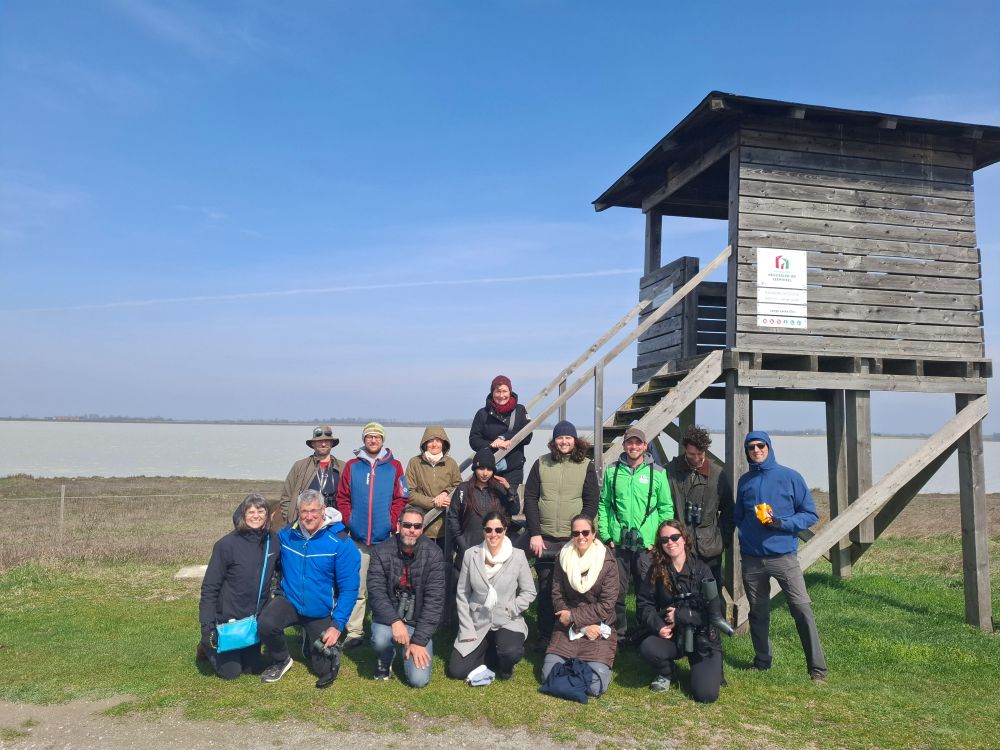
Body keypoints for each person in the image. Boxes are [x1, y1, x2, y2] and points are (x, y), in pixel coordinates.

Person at [735, 431, 828, 683]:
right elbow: (738, 516)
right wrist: (746, 535)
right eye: (751, 447)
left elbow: (810, 515)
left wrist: (781, 523)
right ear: (747, 451)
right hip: (752, 559)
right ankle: (762, 661)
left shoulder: (790, 477)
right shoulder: (745, 481)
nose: (756, 450)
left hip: (784, 558)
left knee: (802, 609)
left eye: (760, 445)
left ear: (769, 447)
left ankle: (817, 670)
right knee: (758, 612)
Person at [257, 490, 361, 688]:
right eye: (304, 511)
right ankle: (281, 660)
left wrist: (337, 625)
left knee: (325, 669)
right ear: (298, 512)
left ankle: (310, 637)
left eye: (314, 511)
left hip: (320, 610)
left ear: (323, 510)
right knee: (266, 624)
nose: (309, 516)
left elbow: (349, 589)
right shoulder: (286, 535)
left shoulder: (341, 543)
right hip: (290, 601)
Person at [522, 420, 599, 648]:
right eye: (559, 437)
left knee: (574, 588)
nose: (564, 442)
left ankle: (573, 631)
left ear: (574, 440)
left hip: (573, 539)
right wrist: (535, 533)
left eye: (568, 437)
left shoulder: (585, 465)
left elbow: (591, 501)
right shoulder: (541, 463)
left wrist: (580, 534)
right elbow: (530, 498)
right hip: (545, 537)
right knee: (547, 588)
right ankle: (545, 634)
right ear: (554, 441)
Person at [336, 422, 410, 649]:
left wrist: (391, 521)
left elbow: (401, 497)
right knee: (356, 588)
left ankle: (383, 628)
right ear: (364, 440)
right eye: (369, 436)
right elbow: (342, 497)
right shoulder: (352, 466)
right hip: (357, 539)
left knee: (384, 588)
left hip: (384, 539)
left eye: (377, 436)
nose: (373, 440)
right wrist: (349, 520)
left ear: (383, 440)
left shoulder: (395, 466)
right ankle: (355, 632)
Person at [597, 426, 674, 638]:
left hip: (646, 544)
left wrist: (658, 540)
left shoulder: (658, 473)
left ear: (645, 446)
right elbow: (604, 504)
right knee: (616, 591)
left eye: (638, 443)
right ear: (624, 445)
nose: (633, 447)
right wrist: (606, 535)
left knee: (646, 592)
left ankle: (644, 633)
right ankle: (618, 634)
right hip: (618, 543)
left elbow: (666, 508)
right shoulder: (612, 471)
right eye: (629, 442)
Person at [636, 519, 723, 702]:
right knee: (648, 647)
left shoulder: (702, 569)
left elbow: (715, 611)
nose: (670, 542)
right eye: (664, 539)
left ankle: (711, 668)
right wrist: (658, 625)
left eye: (675, 537)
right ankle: (667, 672)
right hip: (674, 635)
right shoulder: (656, 570)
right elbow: (644, 604)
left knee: (706, 695)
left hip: (701, 636)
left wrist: (682, 615)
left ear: (684, 538)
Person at [447, 511, 537, 682]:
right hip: (477, 621)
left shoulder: (518, 556)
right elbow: (463, 593)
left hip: (507, 619)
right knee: (456, 671)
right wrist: (466, 627)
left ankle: (505, 666)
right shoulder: (471, 555)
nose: (493, 534)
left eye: (498, 530)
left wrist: (512, 608)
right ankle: (491, 654)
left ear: (505, 530)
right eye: (488, 530)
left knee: (510, 652)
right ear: (483, 531)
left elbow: (529, 591)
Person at [198, 493, 279, 680]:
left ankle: (247, 650)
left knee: (253, 669)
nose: (256, 516)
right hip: (229, 619)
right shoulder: (226, 545)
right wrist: (207, 628)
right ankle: (207, 648)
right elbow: (210, 588)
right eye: (251, 512)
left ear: (268, 515)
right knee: (231, 673)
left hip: (254, 619)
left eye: (261, 511)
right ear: (243, 515)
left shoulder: (273, 541)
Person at [367, 505, 446, 687]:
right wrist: (395, 621)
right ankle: (385, 657)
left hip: (417, 623)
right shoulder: (381, 551)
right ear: (398, 525)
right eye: (407, 525)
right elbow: (376, 592)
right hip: (389, 620)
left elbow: (434, 602)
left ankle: (410, 648)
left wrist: (419, 641)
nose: (412, 530)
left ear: (422, 529)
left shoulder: (434, 554)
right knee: (380, 640)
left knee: (418, 681)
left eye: (417, 526)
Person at [542, 514, 619, 698]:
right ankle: (576, 671)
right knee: (547, 676)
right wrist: (581, 625)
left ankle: (576, 671)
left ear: (593, 534)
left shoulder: (608, 561)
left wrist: (575, 617)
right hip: (567, 626)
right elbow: (557, 595)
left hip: (598, 627)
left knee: (595, 687)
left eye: (585, 532)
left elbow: (606, 604)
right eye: (576, 533)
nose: (581, 537)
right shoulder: (563, 557)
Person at [665, 425, 734, 586]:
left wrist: (721, 539)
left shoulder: (717, 474)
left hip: (709, 547)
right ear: (684, 449)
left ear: (705, 450)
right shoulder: (669, 471)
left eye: (700, 454)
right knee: (679, 591)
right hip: (677, 544)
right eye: (691, 454)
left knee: (712, 593)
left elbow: (729, 510)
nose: (696, 458)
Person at [448, 448, 519, 560]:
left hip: (494, 548)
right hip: (468, 548)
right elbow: (453, 517)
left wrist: (509, 489)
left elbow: (515, 510)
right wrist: (461, 542)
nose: (485, 473)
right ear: (475, 468)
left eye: (489, 469)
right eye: (481, 468)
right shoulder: (463, 489)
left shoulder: (499, 489)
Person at [469, 374, 533, 499]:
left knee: (509, 503)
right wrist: (492, 445)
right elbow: (474, 440)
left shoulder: (520, 410)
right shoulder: (482, 414)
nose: (501, 395)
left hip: (513, 469)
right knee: (486, 503)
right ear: (492, 392)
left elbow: (528, 436)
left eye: (505, 391)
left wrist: (504, 438)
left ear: (510, 391)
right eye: (497, 391)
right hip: (488, 469)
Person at [405, 425, 462, 548]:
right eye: (430, 440)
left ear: (444, 443)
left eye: (438, 440)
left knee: (444, 557)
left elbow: (459, 486)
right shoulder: (414, 463)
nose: (434, 444)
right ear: (424, 443)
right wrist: (433, 502)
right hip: (423, 523)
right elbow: (409, 492)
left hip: (446, 525)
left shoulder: (451, 463)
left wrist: (445, 493)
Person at [279, 425, 343, 524]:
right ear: (313, 444)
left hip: (334, 524)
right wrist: (291, 520)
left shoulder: (343, 467)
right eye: (319, 441)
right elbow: (286, 497)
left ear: (331, 443)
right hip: (305, 523)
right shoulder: (299, 466)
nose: (323, 444)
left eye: (326, 441)